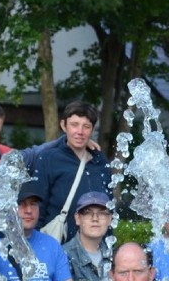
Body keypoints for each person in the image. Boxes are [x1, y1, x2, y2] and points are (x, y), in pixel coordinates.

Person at [32, 101, 111, 242]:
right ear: (64, 126)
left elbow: (109, 208)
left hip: (96, 249)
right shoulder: (49, 159)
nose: (80, 132)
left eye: (86, 127)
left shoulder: (101, 162)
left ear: (92, 130)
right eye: (74, 125)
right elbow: (38, 207)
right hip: (59, 246)